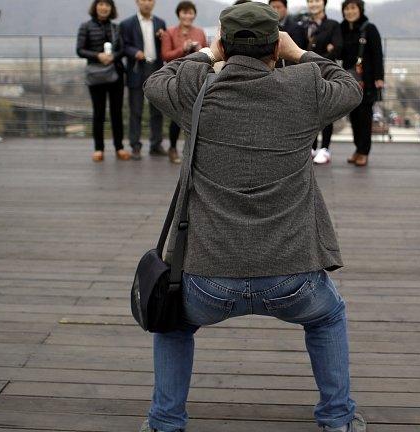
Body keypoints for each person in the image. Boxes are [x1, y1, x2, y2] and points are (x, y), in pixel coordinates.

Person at [142, 2, 365, 432]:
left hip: (206, 280)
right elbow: (350, 86)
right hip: (293, 276)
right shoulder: (304, 89)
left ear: (224, 44)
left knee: (172, 326)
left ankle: (165, 423)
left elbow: (157, 81)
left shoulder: (199, 95)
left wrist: (207, 54)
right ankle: (337, 420)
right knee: (328, 315)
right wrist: (299, 52)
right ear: (276, 46)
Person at [77, 0, 127, 162]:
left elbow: (122, 49)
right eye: (101, 4)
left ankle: (119, 147)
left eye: (107, 5)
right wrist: (98, 56)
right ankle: (99, 149)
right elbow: (79, 50)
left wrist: (113, 57)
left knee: (116, 112)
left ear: (111, 8)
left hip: (115, 74)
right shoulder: (86, 26)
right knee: (98, 112)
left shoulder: (115, 27)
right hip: (96, 74)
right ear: (95, 7)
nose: (104, 7)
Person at [160, 1, 207, 164]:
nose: (187, 16)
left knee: (196, 115)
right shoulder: (169, 32)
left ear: (194, 15)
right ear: (178, 14)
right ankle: (172, 148)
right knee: (177, 114)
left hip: (196, 78)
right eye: (184, 12)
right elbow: (165, 55)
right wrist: (183, 48)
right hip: (175, 78)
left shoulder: (200, 32)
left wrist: (200, 48)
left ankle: (193, 150)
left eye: (190, 13)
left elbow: (208, 54)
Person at [121, 0, 167, 160]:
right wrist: (135, 52)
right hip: (136, 69)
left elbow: (166, 47)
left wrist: (163, 37)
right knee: (136, 110)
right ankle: (135, 146)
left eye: (150, 0)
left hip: (156, 68)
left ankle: (156, 144)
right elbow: (123, 46)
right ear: (137, 2)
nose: (147, 3)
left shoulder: (160, 22)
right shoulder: (127, 24)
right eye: (143, 0)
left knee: (157, 109)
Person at [341, 0, 384, 167]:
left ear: (360, 10)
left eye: (353, 8)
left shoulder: (369, 28)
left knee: (365, 118)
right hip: (349, 80)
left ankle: (364, 152)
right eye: (347, 8)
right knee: (353, 117)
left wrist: (379, 78)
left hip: (366, 81)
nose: (350, 12)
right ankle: (357, 149)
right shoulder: (342, 29)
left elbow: (378, 54)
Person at [304, 0, 342, 165]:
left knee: (327, 109)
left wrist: (312, 57)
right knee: (308, 110)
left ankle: (325, 148)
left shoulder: (333, 24)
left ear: (324, 3)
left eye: (317, 0)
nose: (313, 4)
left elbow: (338, 47)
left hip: (325, 72)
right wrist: (327, 50)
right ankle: (311, 146)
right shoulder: (303, 24)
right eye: (310, 1)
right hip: (305, 73)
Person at [269, 0, 308, 66]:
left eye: (278, 7)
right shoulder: (267, 28)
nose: (275, 10)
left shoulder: (296, 28)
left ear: (286, 8)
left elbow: (297, 53)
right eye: (273, 7)